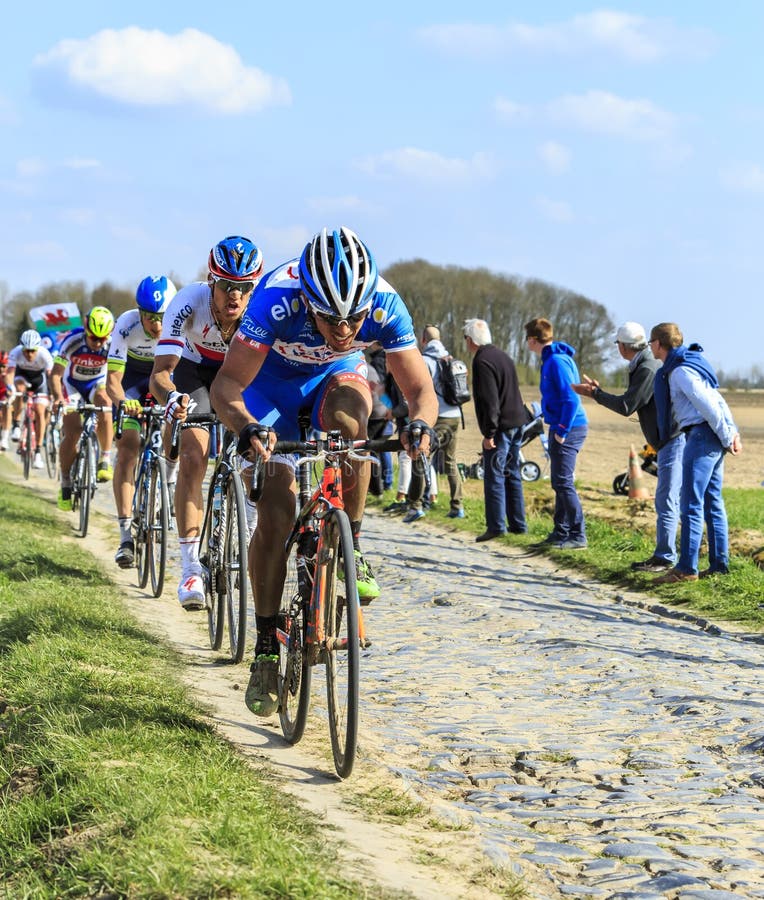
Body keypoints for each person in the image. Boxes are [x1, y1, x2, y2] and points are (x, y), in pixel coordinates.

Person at [210, 226, 438, 717]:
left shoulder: (385, 304)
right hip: (267, 388)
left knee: (350, 428)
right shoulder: (276, 298)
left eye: (354, 318)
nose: (343, 330)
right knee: (276, 507)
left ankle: (350, 542)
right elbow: (227, 384)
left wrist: (420, 425)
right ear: (307, 299)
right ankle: (267, 646)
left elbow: (421, 391)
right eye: (331, 318)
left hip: (335, 379)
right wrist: (247, 427)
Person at [149, 236, 264, 610]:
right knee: (194, 456)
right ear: (211, 283)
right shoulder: (187, 303)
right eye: (227, 286)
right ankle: (189, 567)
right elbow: (161, 374)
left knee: (256, 448)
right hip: (195, 372)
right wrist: (173, 399)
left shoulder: (261, 308)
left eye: (244, 287)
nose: (235, 296)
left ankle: (246, 534)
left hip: (242, 373)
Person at [571, 321, 684, 572]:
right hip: (669, 439)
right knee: (672, 499)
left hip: (672, 440)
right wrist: (599, 392)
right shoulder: (643, 363)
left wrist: (595, 395)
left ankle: (667, 558)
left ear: (622, 347)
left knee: (667, 500)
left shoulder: (647, 367)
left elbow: (626, 406)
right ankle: (670, 556)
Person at [649, 323, 742, 583]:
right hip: (710, 436)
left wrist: (728, 436)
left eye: (650, 343)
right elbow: (718, 399)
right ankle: (719, 565)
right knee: (712, 501)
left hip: (701, 436)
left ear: (658, 344)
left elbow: (708, 404)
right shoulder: (691, 364)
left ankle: (687, 569)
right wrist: (731, 433)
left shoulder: (679, 372)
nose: (650, 347)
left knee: (690, 502)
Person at [107, 275, 177, 568]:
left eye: (162, 317)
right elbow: (112, 380)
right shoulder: (126, 324)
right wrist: (124, 403)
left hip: (164, 382)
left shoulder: (178, 324)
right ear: (140, 313)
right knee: (128, 450)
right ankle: (125, 536)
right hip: (133, 385)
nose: (157, 325)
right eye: (150, 318)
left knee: (179, 425)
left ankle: (169, 481)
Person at [525, 317, 588, 549]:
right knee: (559, 482)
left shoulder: (556, 362)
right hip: (561, 424)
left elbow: (571, 398)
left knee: (563, 482)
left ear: (533, 340)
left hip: (569, 427)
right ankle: (560, 532)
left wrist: (562, 429)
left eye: (527, 340)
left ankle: (578, 535)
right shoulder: (552, 359)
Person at [463, 318, 527, 541]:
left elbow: (489, 400)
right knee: (513, 473)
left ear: (470, 340)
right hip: (518, 420)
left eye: (465, 339)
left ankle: (496, 526)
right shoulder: (503, 356)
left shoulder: (482, 361)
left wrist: (489, 433)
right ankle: (519, 524)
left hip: (500, 426)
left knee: (495, 475)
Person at [49, 308, 115, 508]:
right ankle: (66, 480)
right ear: (86, 329)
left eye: (102, 339)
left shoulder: (112, 345)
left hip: (97, 384)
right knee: (73, 433)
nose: (98, 343)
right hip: (72, 386)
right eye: (94, 338)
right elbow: (55, 374)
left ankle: (105, 458)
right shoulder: (72, 341)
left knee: (105, 402)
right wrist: (59, 398)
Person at [402, 324, 464, 522]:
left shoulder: (424, 361)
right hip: (455, 416)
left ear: (423, 340)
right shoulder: (451, 360)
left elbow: (418, 391)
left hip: (435, 418)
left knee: (421, 459)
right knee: (450, 461)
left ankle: (415, 506)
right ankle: (457, 506)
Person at [3, 330, 55, 466]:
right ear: (22, 347)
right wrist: (10, 388)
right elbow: (9, 374)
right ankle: (16, 424)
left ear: (38, 348)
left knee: (39, 410)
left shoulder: (45, 354)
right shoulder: (15, 352)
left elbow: (51, 377)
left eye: (33, 351)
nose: (30, 354)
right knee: (19, 389)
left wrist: (53, 394)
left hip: (39, 380)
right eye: (26, 351)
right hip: (22, 376)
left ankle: (38, 451)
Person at [0, 350, 13, 449]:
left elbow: (11, 391)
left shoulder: (9, 375)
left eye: (4, 366)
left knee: (7, 408)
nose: (1, 369)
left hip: (4, 396)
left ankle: (4, 437)